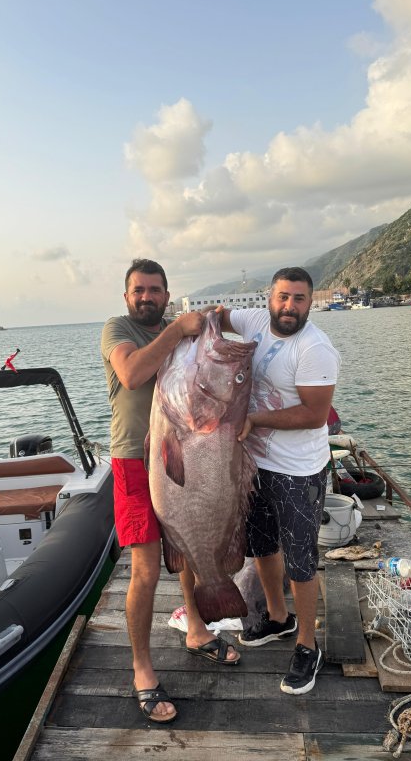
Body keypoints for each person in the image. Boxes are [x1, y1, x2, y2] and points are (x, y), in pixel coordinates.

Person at [101, 258, 240, 724]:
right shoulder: (118, 329)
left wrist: (212, 325)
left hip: (182, 454)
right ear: (127, 296)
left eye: (155, 290)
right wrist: (178, 329)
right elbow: (131, 374)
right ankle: (142, 668)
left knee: (188, 544)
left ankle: (196, 629)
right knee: (144, 568)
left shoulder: (177, 334)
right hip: (133, 461)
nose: (147, 297)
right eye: (139, 290)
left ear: (166, 294)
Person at [216, 266, 340, 695]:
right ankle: (277, 617)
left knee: (301, 559)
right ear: (269, 298)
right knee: (262, 546)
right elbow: (216, 317)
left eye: (299, 299)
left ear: (310, 303)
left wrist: (254, 419)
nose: (290, 306)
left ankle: (307, 644)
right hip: (256, 465)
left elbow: (315, 414)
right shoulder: (253, 320)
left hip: (298, 470)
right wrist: (181, 330)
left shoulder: (315, 349)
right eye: (283, 297)